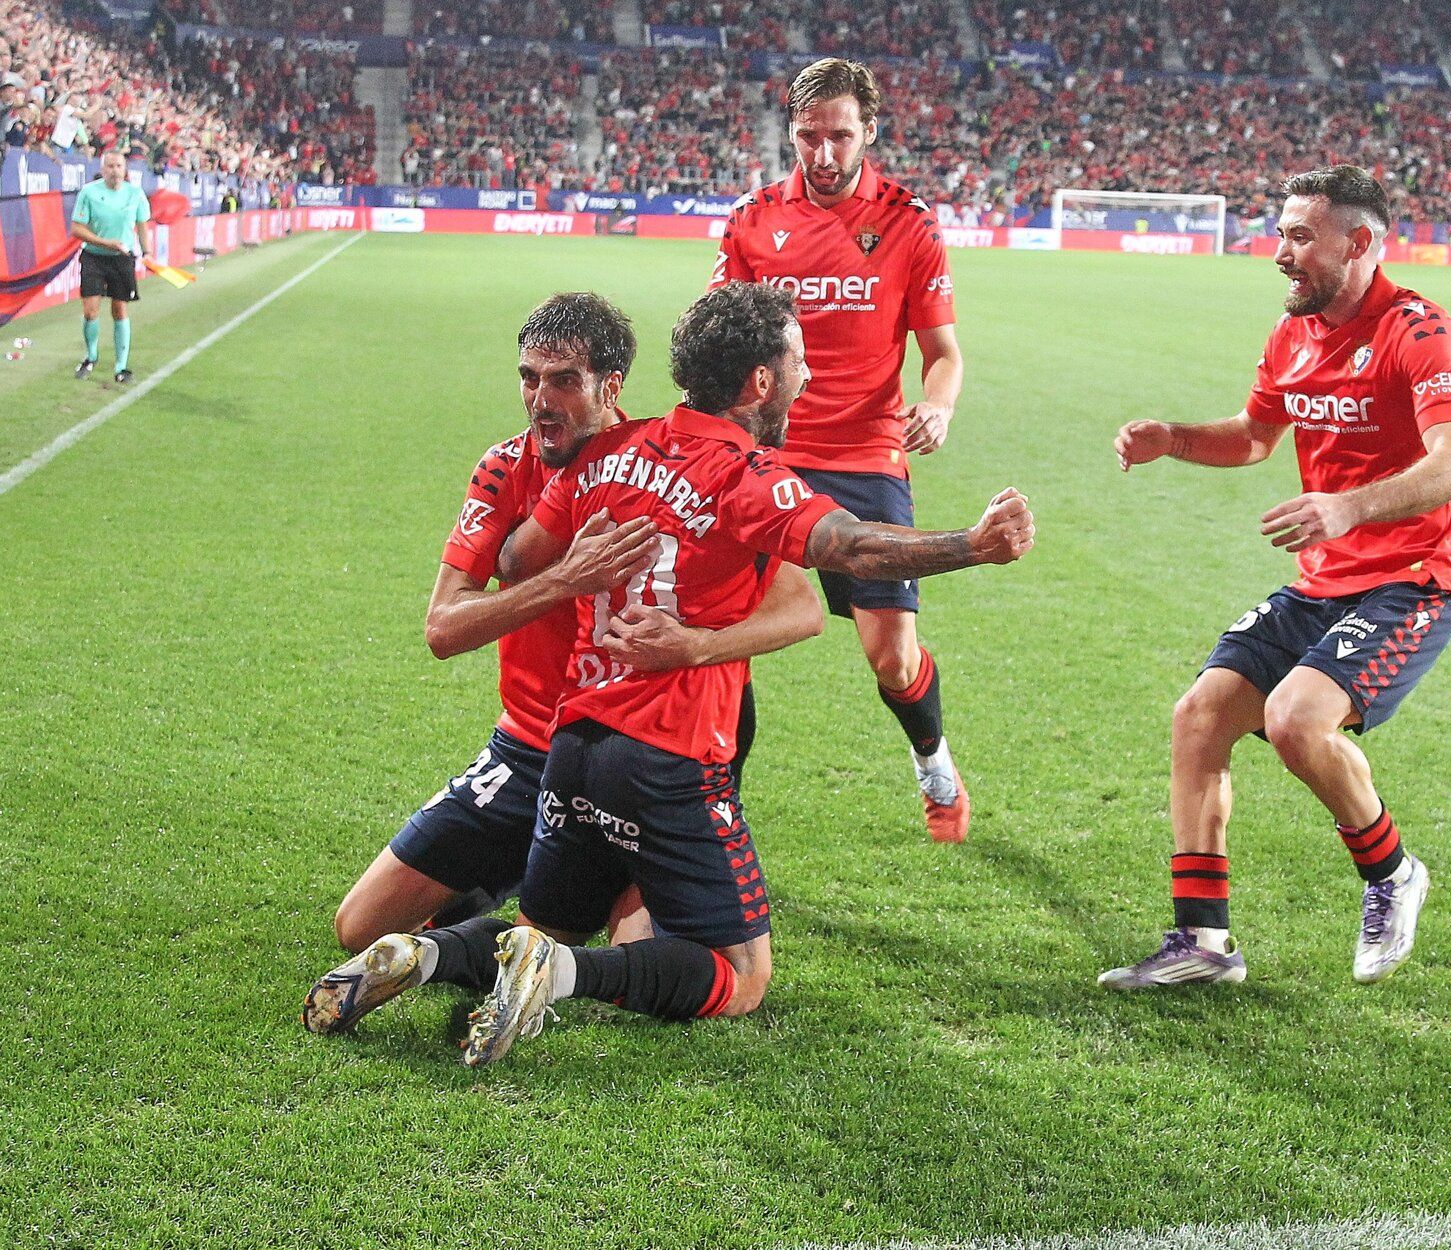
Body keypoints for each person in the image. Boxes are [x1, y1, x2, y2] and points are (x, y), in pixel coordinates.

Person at [306, 283, 1033, 1066]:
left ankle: (429, 955)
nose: (808, 376)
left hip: (576, 738)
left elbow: (515, 558)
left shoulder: (612, 454)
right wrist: (973, 545)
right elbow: (848, 549)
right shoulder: (747, 476)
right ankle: (558, 972)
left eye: (562, 380)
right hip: (666, 753)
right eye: (798, 362)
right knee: (734, 974)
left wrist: (628, 582)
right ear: (762, 380)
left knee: (543, 930)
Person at [309, 292, 827, 984]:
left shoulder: (668, 460)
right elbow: (443, 628)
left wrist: (696, 645)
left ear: (611, 386)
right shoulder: (505, 468)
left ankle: (563, 896)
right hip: (530, 745)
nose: (540, 401)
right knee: (361, 926)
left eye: (563, 381)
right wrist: (564, 580)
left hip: (639, 746)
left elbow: (801, 605)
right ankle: (518, 882)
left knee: (632, 952)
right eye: (529, 378)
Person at [1100, 165, 1451, 989]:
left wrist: (1348, 507)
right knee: (1199, 716)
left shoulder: (1418, 331)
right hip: (1320, 582)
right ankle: (1203, 941)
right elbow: (1253, 436)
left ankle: (1393, 874)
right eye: (1280, 233)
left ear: (1359, 242)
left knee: (1294, 721)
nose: (1280, 252)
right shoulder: (1292, 334)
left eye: (1300, 237)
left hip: (1410, 580)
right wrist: (1174, 437)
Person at [709, 57, 974, 842]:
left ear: (869, 132)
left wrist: (937, 404)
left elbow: (943, 352)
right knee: (719, 636)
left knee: (891, 658)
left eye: (840, 137)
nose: (823, 155)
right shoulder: (753, 218)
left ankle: (932, 761)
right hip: (768, 454)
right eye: (807, 136)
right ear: (789, 131)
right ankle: (713, 806)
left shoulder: (906, 221)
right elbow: (720, 340)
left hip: (866, 455)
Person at [69, 150, 151, 384]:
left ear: (125, 170)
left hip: (121, 259)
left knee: (120, 309)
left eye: (119, 166)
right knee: (90, 310)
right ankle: (91, 356)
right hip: (94, 256)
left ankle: (121, 367)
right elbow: (77, 229)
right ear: (102, 169)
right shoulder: (89, 192)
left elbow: (142, 225)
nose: (115, 171)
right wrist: (106, 243)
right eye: (110, 166)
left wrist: (147, 252)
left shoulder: (135, 194)